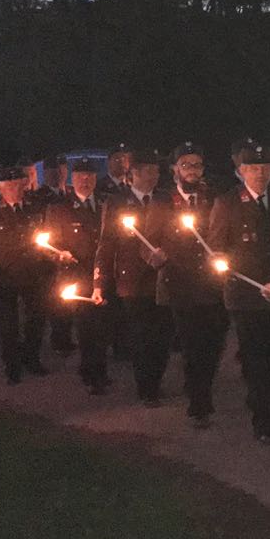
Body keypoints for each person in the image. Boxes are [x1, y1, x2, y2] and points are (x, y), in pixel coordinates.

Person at [207, 140, 270, 444]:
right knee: (257, 358)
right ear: (241, 171)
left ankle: (265, 401)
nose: (260, 174)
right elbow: (215, 247)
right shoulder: (227, 203)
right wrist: (218, 262)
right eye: (253, 168)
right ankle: (264, 419)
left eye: (264, 167)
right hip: (246, 295)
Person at [157, 142, 227, 427]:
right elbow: (149, 238)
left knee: (213, 342)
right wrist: (154, 255)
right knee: (191, 343)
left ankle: (201, 385)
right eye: (186, 165)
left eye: (197, 165)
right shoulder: (163, 201)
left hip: (213, 284)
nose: (192, 170)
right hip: (181, 284)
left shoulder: (216, 198)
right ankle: (199, 403)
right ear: (174, 169)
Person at [95, 149, 172, 405]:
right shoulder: (117, 203)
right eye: (148, 171)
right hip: (132, 282)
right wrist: (99, 282)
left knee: (162, 336)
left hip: (161, 279)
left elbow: (176, 233)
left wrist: (167, 252)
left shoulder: (164, 200)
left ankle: (156, 379)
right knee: (141, 336)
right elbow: (106, 244)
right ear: (134, 173)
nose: (154, 176)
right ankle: (146, 388)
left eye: (157, 172)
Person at [0, 163, 55, 383]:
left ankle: (32, 358)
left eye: (18, 185)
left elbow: (47, 235)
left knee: (35, 320)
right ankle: (12, 366)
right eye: (10, 186)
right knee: (8, 324)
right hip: (3, 274)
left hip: (33, 272)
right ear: (1, 187)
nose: (15, 190)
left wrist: (54, 253)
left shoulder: (34, 206)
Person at [43, 158, 108, 392]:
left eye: (90, 176)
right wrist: (59, 254)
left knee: (103, 325)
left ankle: (98, 369)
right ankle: (92, 373)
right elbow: (49, 244)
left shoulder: (105, 204)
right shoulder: (60, 208)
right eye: (80, 176)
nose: (85, 181)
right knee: (87, 327)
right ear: (72, 179)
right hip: (77, 275)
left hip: (103, 273)